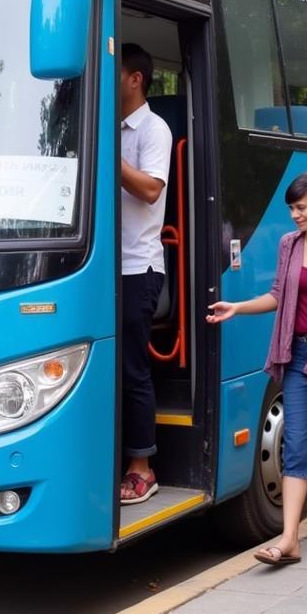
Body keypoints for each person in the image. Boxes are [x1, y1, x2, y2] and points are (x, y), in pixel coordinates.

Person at [207, 171, 307, 565]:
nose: (295, 215)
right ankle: (290, 537)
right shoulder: (288, 245)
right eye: (292, 208)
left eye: (301, 207)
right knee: (297, 439)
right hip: (296, 353)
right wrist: (238, 307)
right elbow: (278, 294)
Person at [119, 43, 172, 505]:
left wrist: (106, 156)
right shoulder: (105, 126)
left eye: (112, 72)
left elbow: (152, 190)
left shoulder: (153, 129)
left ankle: (142, 467)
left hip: (138, 266)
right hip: (99, 265)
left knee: (134, 368)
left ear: (135, 79)